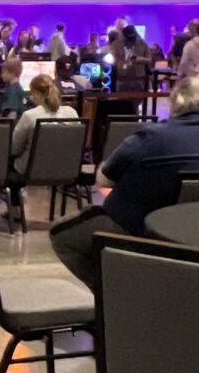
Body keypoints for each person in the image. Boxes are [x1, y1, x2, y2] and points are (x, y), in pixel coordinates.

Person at [51, 77, 199, 290]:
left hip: (135, 230)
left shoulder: (150, 136)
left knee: (63, 235)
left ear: (177, 101)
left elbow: (103, 179)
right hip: (190, 236)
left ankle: (116, 296)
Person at [8, 74, 78, 182]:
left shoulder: (29, 115)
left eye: (31, 93)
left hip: (32, 170)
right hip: (66, 168)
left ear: (36, 93)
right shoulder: (71, 112)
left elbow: (14, 148)